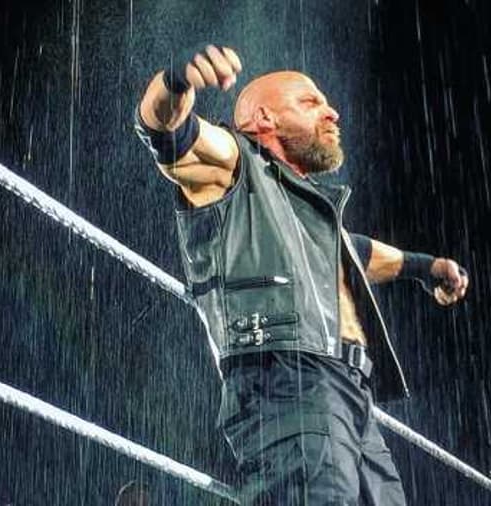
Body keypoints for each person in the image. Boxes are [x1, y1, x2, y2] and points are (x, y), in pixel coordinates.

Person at [133, 44, 469, 505]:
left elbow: (362, 253)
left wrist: (425, 268)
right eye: (310, 103)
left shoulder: (312, 214)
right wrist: (177, 79)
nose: (331, 112)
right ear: (264, 118)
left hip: (350, 393)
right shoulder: (235, 162)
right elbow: (165, 130)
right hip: (288, 378)